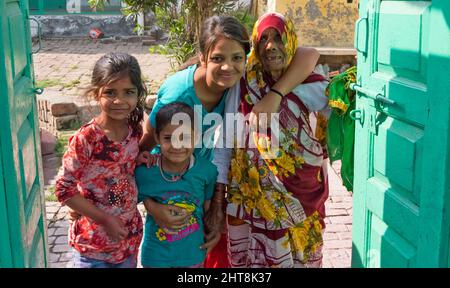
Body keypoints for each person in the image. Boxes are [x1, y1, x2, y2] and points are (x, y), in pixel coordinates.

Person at [138, 15, 320, 268]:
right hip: (174, 192)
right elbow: (147, 144)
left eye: (236, 58)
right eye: (217, 59)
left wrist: (276, 95)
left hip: (207, 185)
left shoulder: (238, 84)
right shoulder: (179, 94)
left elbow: (309, 54)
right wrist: (151, 204)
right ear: (202, 56)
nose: (228, 67)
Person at [215, 12, 330, 268]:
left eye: (278, 37)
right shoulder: (244, 83)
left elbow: (337, 117)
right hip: (251, 196)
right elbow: (227, 137)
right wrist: (220, 189)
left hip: (300, 192)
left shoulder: (310, 84)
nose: (270, 46)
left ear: (289, 41)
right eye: (263, 38)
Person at [55, 52, 146, 268]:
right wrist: (105, 219)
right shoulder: (87, 138)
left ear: (138, 94)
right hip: (92, 249)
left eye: (128, 92)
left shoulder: (134, 131)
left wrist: (140, 158)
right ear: (97, 93)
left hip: (127, 244)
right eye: (110, 92)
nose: (119, 100)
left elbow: (122, 168)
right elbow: (63, 189)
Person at [135, 102, 218, 268]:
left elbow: (208, 209)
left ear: (196, 137)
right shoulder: (145, 172)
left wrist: (214, 232)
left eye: (184, 137)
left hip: (193, 255)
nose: (177, 145)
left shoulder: (207, 171)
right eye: (168, 138)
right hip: (155, 256)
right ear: (157, 137)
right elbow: (123, 203)